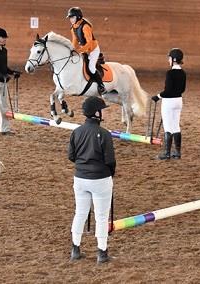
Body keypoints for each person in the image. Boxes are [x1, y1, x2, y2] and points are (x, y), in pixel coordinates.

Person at [68, 96, 116, 264]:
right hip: (100, 179)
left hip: (80, 178)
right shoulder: (104, 134)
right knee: (102, 217)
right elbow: (110, 160)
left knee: (80, 213)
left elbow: (71, 156)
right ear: (97, 113)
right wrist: (110, 174)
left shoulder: (76, 132)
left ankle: (75, 249)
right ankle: (102, 252)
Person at [152, 48, 186, 160]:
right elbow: (182, 89)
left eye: (169, 58)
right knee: (176, 126)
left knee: (168, 127)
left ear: (173, 59)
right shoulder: (183, 73)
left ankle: (167, 153)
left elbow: (167, 91)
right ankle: (177, 152)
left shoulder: (170, 73)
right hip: (178, 101)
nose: (168, 60)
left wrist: (158, 96)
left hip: (169, 102)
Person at [67, 7, 105, 94]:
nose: (70, 19)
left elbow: (89, 42)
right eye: (70, 18)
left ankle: (101, 85)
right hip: (84, 49)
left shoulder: (85, 26)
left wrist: (80, 50)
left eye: (72, 17)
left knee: (91, 68)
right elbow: (75, 41)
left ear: (78, 17)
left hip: (93, 49)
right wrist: (72, 50)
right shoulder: (73, 27)